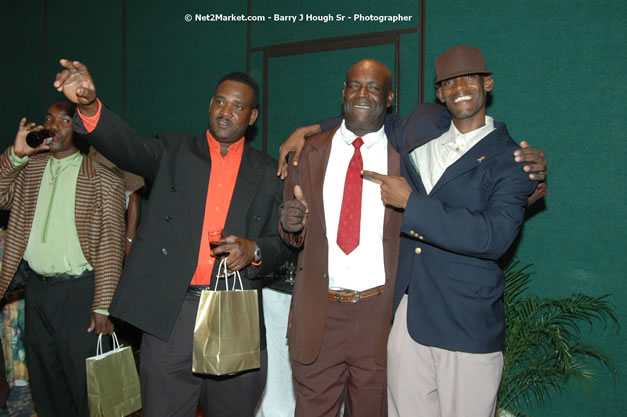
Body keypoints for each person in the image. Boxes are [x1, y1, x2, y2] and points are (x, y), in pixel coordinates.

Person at [54, 60, 291, 417]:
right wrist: (89, 106)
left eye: (238, 106)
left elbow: (283, 243)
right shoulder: (173, 152)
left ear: (252, 117)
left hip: (234, 308)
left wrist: (255, 249)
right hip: (172, 312)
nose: (226, 112)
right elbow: (127, 146)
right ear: (210, 105)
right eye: (220, 102)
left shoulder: (269, 172)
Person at [361, 45, 538, 417]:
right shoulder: (422, 132)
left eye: (469, 78)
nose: (460, 87)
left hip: (466, 325)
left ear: (487, 84)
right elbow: (371, 120)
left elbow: (493, 238)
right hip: (409, 319)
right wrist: (310, 129)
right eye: (449, 81)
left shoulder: (514, 161)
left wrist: (412, 204)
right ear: (439, 93)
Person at [279, 59, 402, 417]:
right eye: (354, 86)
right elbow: (291, 235)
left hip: (379, 318)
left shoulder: (404, 156)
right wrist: (290, 225)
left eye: (374, 87)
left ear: (390, 98)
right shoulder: (308, 152)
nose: (362, 94)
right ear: (343, 93)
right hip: (320, 314)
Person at [0, 100, 126, 417]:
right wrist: (15, 156)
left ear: (80, 129)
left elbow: (112, 245)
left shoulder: (103, 178)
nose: (54, 126)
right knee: (45, 382)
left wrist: (103, 305)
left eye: (65, 121)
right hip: (38, 290)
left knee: (85, 385)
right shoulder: (29, 169)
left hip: (81, 293)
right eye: (49, 119)